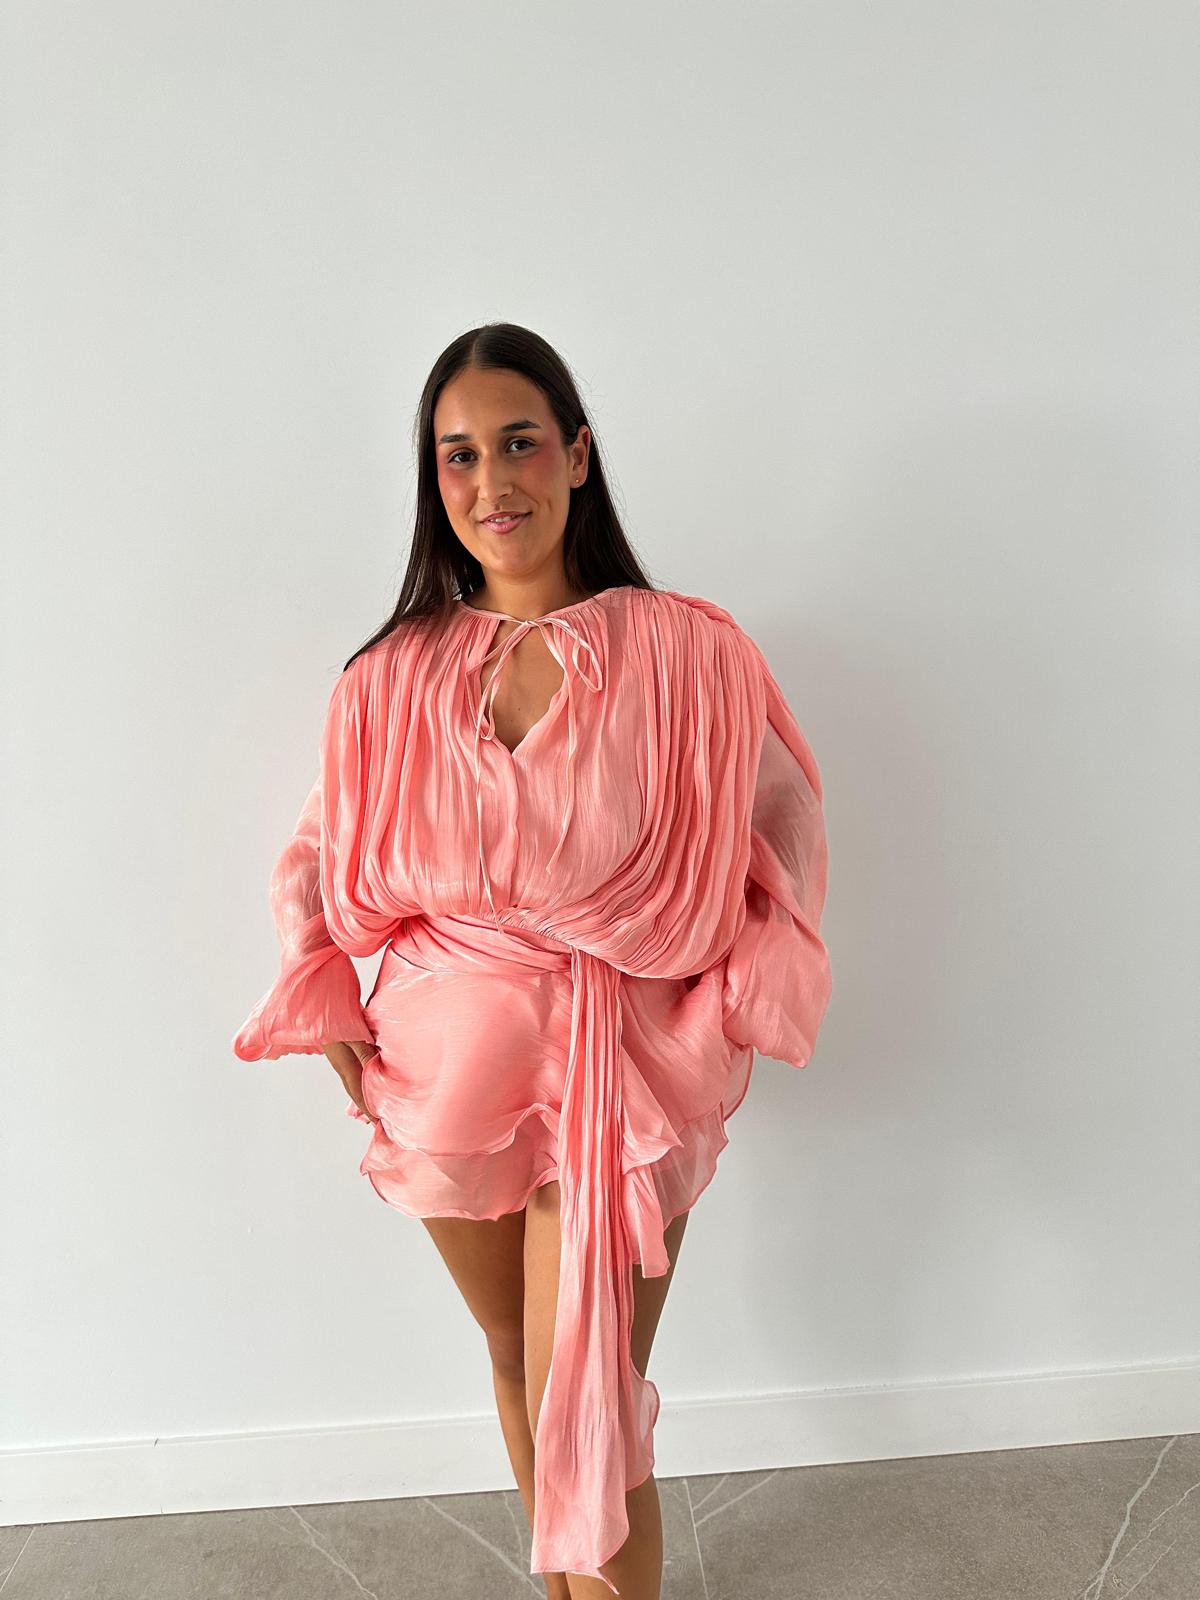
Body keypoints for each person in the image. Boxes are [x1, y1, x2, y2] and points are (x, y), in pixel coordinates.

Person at [232, 321, 833, 1599]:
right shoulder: (390, 676)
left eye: (519, 443)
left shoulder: (689, 650)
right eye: (459, 455)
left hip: (630, 1060)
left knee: (588, 1387)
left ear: (578, 454)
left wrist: (731, 1004)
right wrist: (332, 1012)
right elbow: (318, 855)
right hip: (448, 1070)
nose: (492, 481)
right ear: (433, 478)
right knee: (515, 1358)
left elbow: (780, 827)